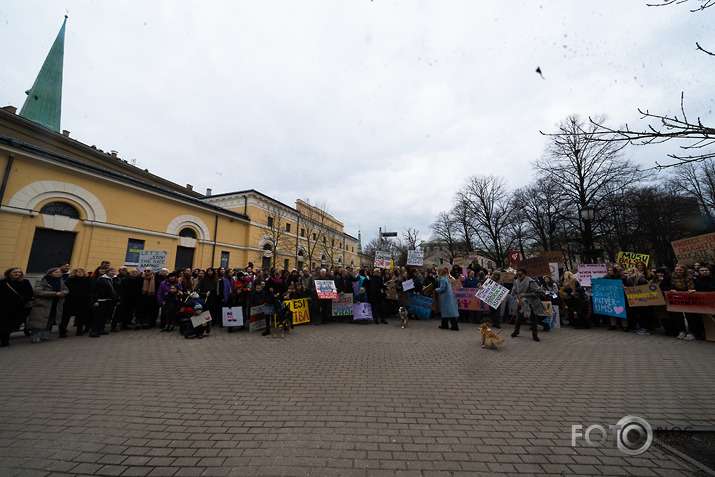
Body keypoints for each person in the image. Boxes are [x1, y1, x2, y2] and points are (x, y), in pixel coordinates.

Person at [28, 267, 69, 342]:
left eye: (59, 272)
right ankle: (35, 337)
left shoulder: (60, 281)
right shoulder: (42, 280)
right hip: (43, 304)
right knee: (39, 321)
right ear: (50, 273)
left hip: (55, 304)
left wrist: (64, 293)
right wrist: (55, 293)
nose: (58, 274)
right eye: (56, 272)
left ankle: (44, 336)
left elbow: (66, 289)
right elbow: (38, 292)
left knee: (49, 321)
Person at [0, 267, 33, 347]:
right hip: (3, 307)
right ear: (9, 273)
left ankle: (5, 340)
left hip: (18, 307)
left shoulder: (25, 282)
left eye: (19, 272)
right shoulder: (3, 282)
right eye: (15, 272)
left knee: (10, 324)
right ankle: (4, 341)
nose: (17, 274)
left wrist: (23, 301)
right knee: (3, 324)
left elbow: (29, 294)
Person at [510, 268, 546, 341]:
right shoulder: (516, 282)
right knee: (519, 317)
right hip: (521, 302)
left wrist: (526, 294)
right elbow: (513, 292)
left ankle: (535, 335)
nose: (518, 276)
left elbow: (537, 292)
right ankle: (516, 331)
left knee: (534, 318)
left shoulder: (531, 281)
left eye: (520, 275)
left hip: (532, 302)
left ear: (525, 274)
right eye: (517, 275)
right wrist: (517, 298)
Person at [89, 267, 119, 338]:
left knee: (104, 316)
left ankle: (101, 329)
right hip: (101, 300)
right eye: (111, 271)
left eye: (114, 271)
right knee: (98, 316)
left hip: (109, 300)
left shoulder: (114, 280)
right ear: (107, 272)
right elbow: (95, 291)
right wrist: (95, 300)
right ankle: (94, 331)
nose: (113, 272)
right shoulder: (101, 280)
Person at [63, 268, 93, 336]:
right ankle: (63, 331)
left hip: (83, 301)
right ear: (75, 273)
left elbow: (90, 290)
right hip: (70, 300)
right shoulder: (69, 280)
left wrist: (88, 298)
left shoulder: (87, 280)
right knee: (66, 316)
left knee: (81, 317)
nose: (80, 273)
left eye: (82, 272)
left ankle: (79, 331)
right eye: (78, 272)